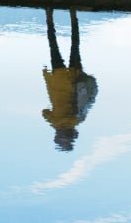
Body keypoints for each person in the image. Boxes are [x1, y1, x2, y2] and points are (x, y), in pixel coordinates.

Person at [41, 8, 98, 151]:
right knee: (53, 44)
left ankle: (73, 14)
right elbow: (44, 112)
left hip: (74, 78)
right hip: (58, 78)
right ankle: (49, 14)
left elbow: (86, 99)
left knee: (75, 45)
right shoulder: (54, 121)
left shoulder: (76, 120)